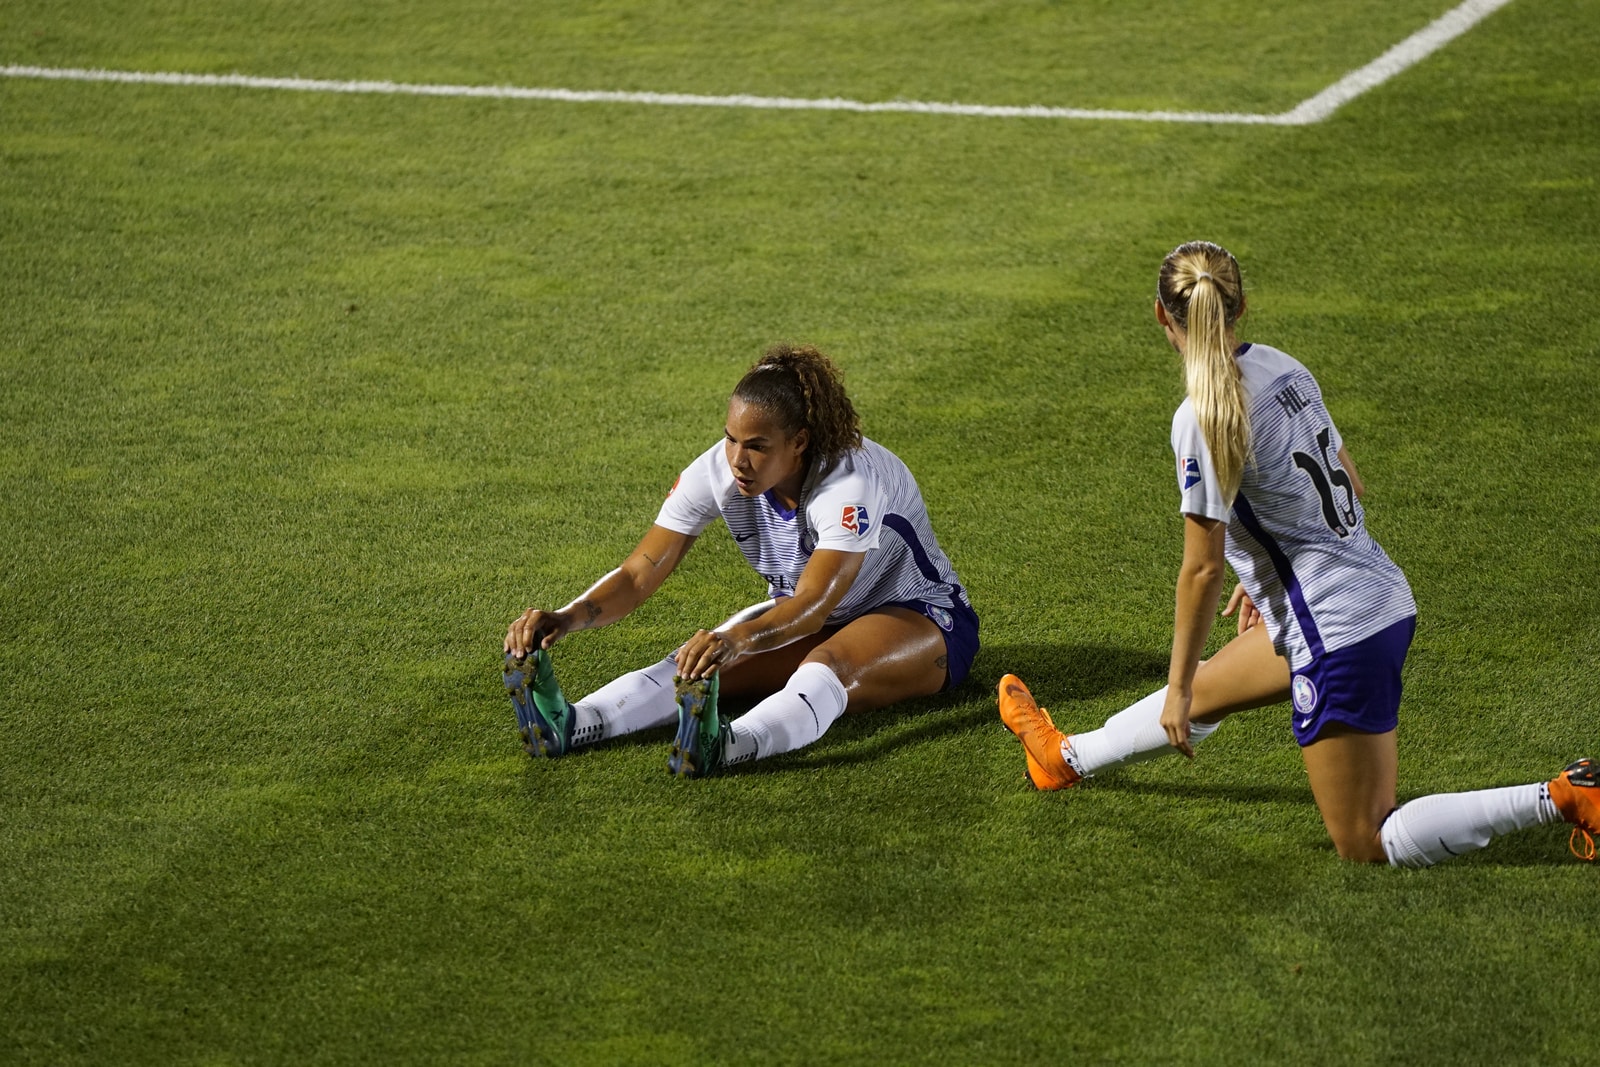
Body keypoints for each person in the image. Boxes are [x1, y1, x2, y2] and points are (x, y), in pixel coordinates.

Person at [998, 240, 1598, 866]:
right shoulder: (1285, 367)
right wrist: (1264, 569)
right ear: (1242, 306)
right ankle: (1063, 759)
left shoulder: (1200, 416)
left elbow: (1201, 568)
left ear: (1160, 316)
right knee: (1210, 690)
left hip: (1336, 630)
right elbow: (1349, 483)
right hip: (1376, 593)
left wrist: (1174, 685)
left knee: (1364, 839)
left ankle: (1563, 796)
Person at [503, 343, 978, 778]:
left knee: (826, 665)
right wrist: (566, 617)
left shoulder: (850, 484)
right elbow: (637, 572)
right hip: (809, 613)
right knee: (695, 665)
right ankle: (575, 722)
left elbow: (813, 604)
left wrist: (738, 637)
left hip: (921, 617)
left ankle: (730, 747)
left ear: (800, 441)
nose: (737, 460)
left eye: (756, 446)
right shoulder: (718, 469)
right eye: (731, 439)